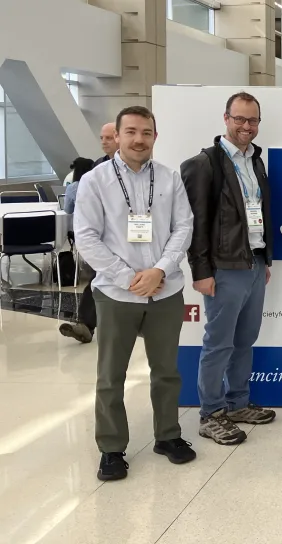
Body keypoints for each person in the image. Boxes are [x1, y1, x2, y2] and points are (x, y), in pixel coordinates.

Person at [74, 106, 196, 481]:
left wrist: (159, 270)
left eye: (146, 132)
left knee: (166, 371)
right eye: (131, 132)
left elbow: (184, 227)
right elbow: (87, 237)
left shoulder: (169, 179)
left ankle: (168, 436)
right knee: (111, 375)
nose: (139, 139)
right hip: (116, 294)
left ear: (155, 137)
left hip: (165, 290)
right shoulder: (96, 181)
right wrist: (130, 278)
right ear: (118, 135)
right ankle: (111, 448)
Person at [181, 92, 276, 446]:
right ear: (225, 119)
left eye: (252, 120)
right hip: (222, 268)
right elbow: (196, 224)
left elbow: (259, 213)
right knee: (219, 344)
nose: (246, 127)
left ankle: (238, 403)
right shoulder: (204, 164)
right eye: (240, 119)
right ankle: (211, 414)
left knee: (245, 340)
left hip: (253, 263)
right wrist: (200, 271)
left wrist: (263, 257)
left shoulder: (255, 161)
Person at [59, 157, 98, 344]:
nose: (105, 141)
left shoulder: (74, 186)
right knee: (98, 279)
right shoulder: (100, 168)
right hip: (100, 239)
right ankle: (86, 324)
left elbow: (68, 210)